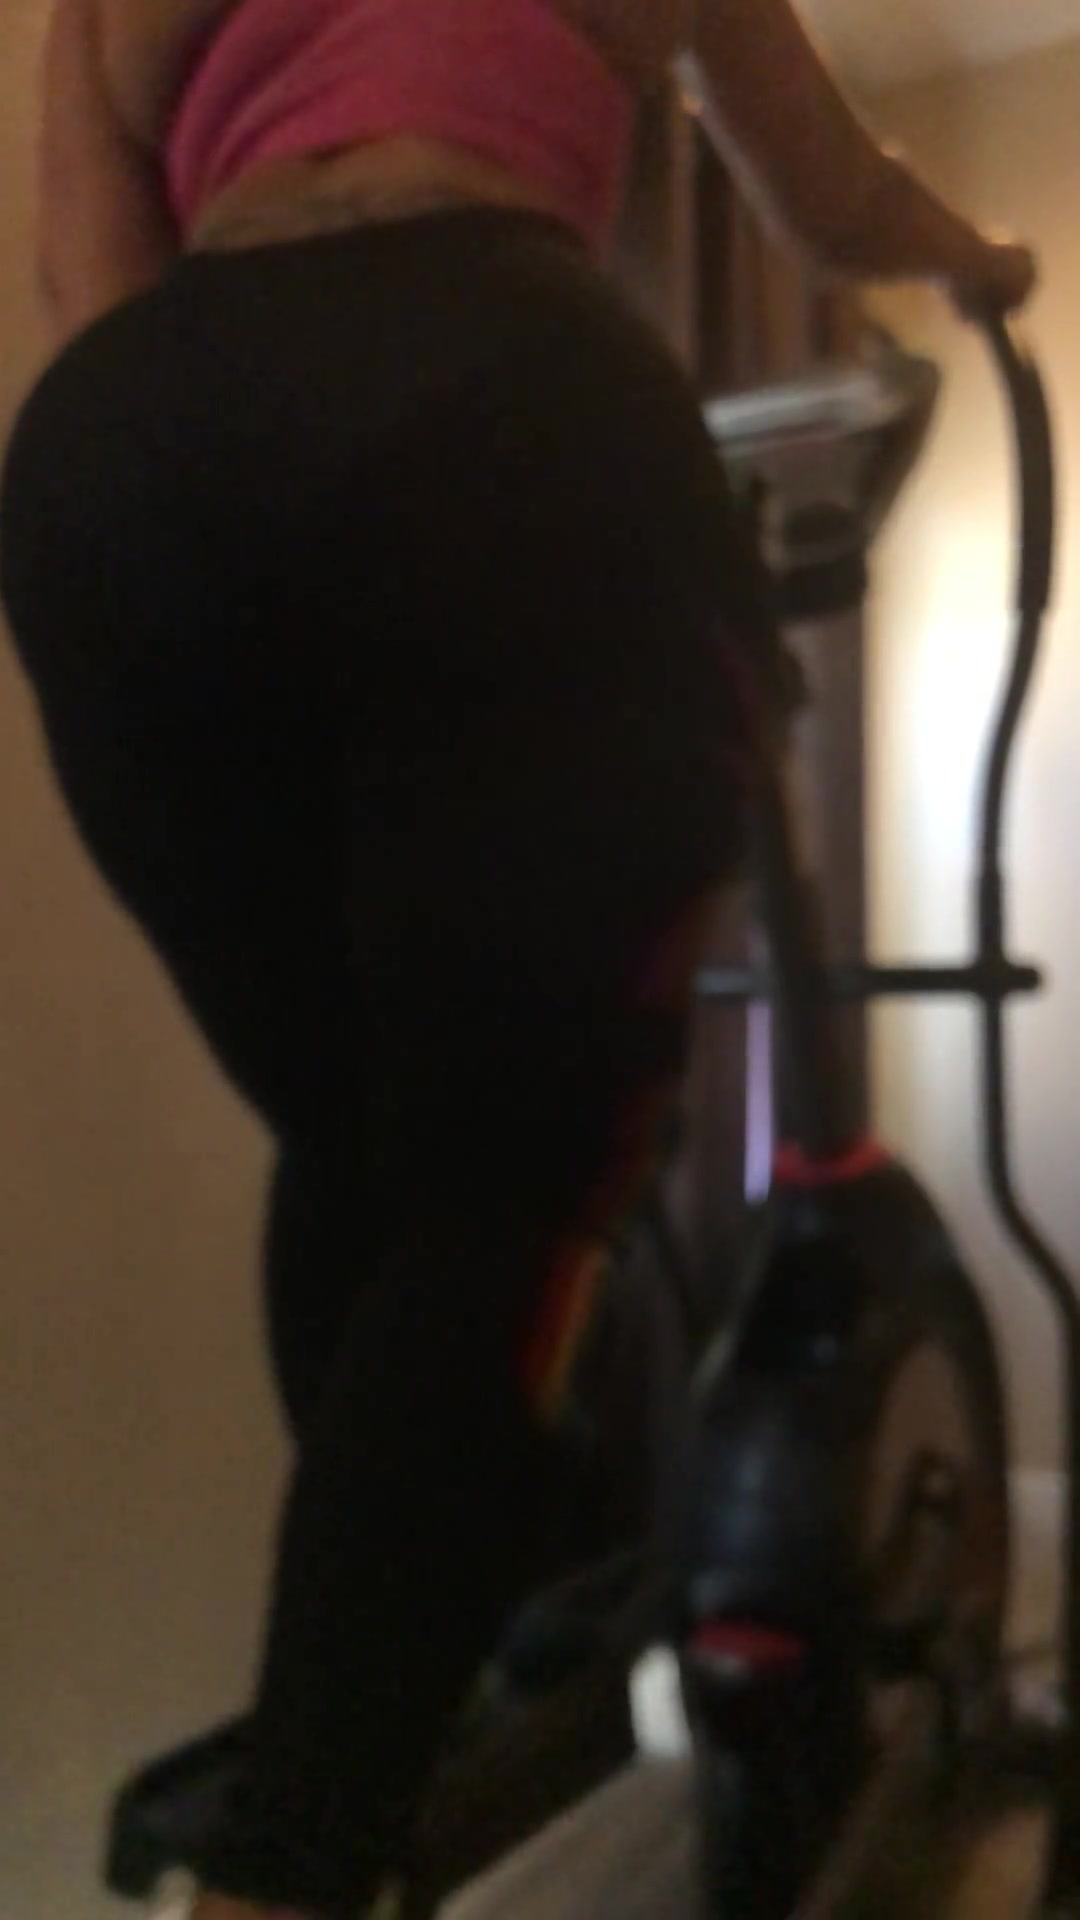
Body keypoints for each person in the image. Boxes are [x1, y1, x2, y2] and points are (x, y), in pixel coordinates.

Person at [0, 3, 1034, 1917]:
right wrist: (978, 262)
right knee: (506, 1192)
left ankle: (400, 1670)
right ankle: (301, 1858)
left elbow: (94, 287)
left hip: (120, 470)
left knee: (369, 1151)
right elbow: (830, 201)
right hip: (512, 392)